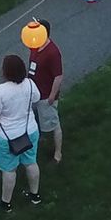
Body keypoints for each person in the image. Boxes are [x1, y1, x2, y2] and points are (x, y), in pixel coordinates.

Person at [0, 54, 43, 212]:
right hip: (30, 131)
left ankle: (6, 203)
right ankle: (35, 196)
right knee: (31, 162)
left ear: (6, 71)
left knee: (9, 170)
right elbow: (36, 99)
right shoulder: (30, 84)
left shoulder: (1, 91)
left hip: (6, 137)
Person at [27, 21, 65, 165]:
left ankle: (58, 152)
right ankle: (40, 137)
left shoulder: (53, 52)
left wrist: (51, 96)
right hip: (34, 93)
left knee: (54, 124)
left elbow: (58, 76)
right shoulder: (34, 45)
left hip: (45, 96)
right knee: (36, 119)